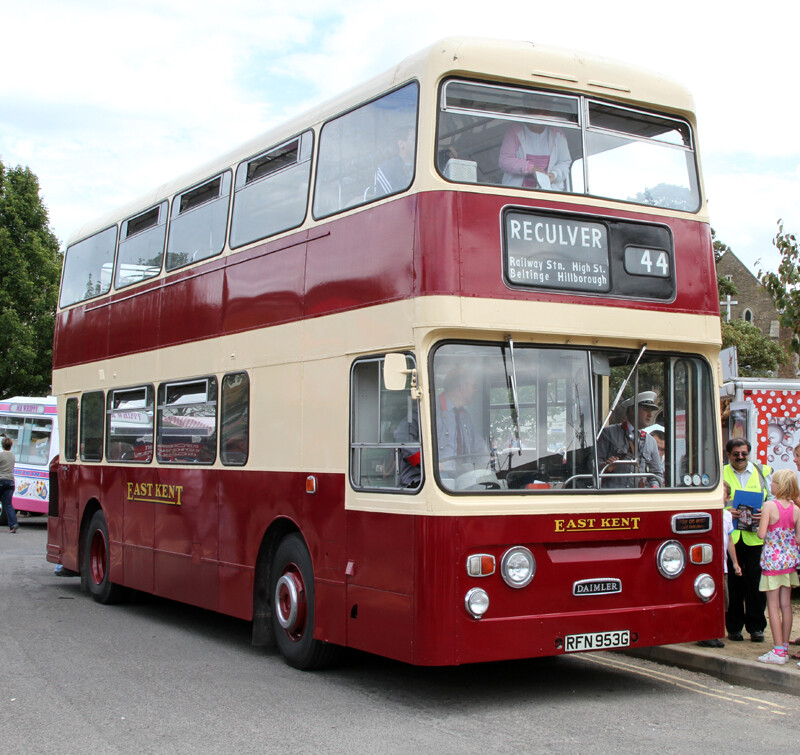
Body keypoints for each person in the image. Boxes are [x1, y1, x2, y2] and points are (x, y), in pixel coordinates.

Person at [724, 437, 772, 643]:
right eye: (736, 454)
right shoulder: (722, 473)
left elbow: (770, 498)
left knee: (755, 584)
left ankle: (756, 627)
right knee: (733, 584)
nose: (741, 458)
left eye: (744, 454)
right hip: (731, 537)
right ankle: (734, 627)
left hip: (755, 537)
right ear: (729, 455)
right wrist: (727, 511)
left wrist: (765, 513)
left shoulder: (761, 472)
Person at [754, 469, 800, 664]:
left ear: (779, 486)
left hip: (772, 562)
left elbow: (761, 534)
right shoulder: (796, 509)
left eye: (773, 483)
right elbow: (798, 538)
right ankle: (786, 648)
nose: (770, 485)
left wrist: (760, 526)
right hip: (789, 562)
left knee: (772, 606)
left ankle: (778, 650)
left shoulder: (769, 506)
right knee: (786, 605)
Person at [698, 482, 741, 648]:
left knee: (723, 600)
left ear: (727, 497)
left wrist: (735, 563)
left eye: (721, 493)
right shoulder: (706, 514)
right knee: (707, 599)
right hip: (707, 566)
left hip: (722, 566)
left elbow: (730, 541)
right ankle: (707, 633)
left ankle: (715, 631)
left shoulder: (727, 516)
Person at [596, 391, 664, 488]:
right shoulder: (609, 433)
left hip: (638, 498)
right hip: (613, 496)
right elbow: (593, 464)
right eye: (646, 409)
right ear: (632, 410)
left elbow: (657, 474)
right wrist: (606, 467)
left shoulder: (650, 441)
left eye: (651, 411)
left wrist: (654, 487)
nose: (650, 415)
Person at [435, 367, 488, 475]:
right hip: (437, 478)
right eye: (473, 386)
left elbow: (478, 446)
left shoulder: (464, 416)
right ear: (462, 387)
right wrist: (425, 465)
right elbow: (404, 441)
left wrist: (490, 462)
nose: (475, 390)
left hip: (460, 477)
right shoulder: (430, 408)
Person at [499, 114, 571, 191]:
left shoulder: (557, 133)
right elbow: (505, 160)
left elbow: (564, 162)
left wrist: (554, 175)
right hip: (517, 194)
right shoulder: (515, 130)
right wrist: (531, 168)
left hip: (549, 194)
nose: (540, 112)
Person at [374, 126, 415, 197]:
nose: (419, 142)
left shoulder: (424, 167)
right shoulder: (387, 168)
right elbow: (386, 201)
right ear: (401, 144)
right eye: (414, 139)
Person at [0, 436, 18, 533]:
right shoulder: (12, 456)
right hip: (11, 482)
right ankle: (13, 524)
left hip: (1, 481)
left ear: (2, 445)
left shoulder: (1, 455)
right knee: (8, 504)